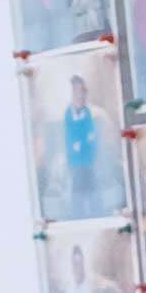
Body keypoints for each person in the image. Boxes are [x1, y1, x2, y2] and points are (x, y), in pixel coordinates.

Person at [59, 71, 103, 219]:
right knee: (77, 193)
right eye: (78, 91)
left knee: (93, 193)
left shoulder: (87, 113)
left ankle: (96, 215)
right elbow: (73, 141)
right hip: (75, 163)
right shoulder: (68, 115)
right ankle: (78, 216)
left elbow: (91, 137)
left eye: (83, 91)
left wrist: (84, 143)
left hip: (88, 161)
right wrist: (82, 143)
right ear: (73, 93)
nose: (81, 95)